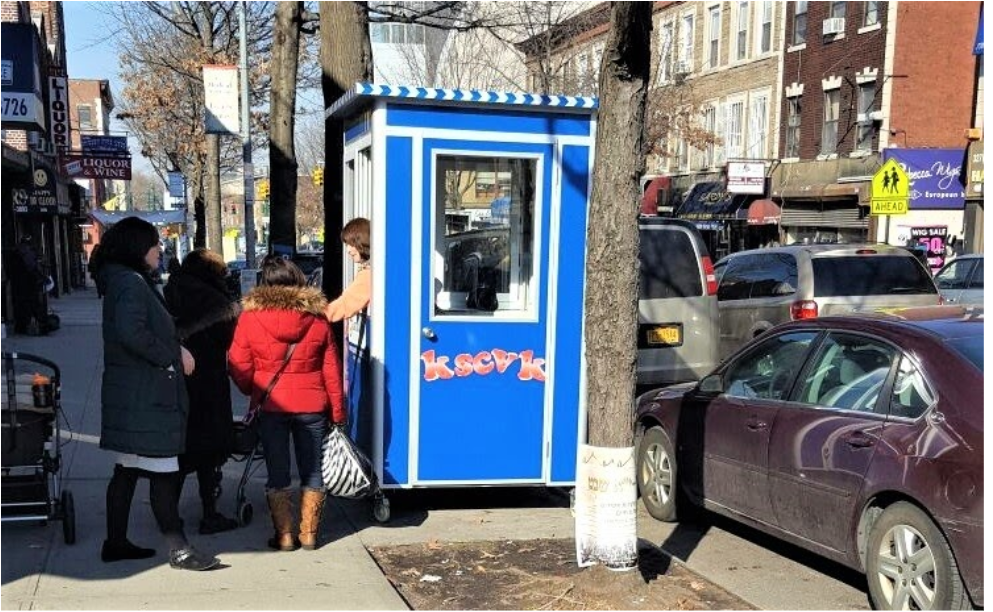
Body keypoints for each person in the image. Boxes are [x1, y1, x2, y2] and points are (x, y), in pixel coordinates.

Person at [91, 216, 220, 571]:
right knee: (164, 471)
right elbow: (132, 333)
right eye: (155, 244)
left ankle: (115, 542)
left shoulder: (122, 280)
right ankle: (179, 549)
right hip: (146, 395)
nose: (159, 249)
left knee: (128, 470)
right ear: (138, 248)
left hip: (134, 394)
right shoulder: (131, 283)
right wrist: (173, 358)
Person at [228, 255, 345, 551]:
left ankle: (283, 535)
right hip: (312, 404)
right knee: (312, 469)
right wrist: (338, 411)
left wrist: (253, 391)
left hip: (271, 406)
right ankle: (309, 534)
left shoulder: (249, 318)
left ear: (264, 283)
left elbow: (237, 363)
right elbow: (331, 369)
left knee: (277, 470)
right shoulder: (317, 319)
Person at [164, 249, 241, 535]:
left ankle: (169, 513)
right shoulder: (215, 300)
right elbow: (226, 339)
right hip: (208, 379)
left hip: (176, 378)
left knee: (183, 450)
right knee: (209, 450)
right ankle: (210, 513)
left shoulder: (171, 290)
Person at [324, 217, 371, 323]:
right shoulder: (373, 270)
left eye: (351, 244)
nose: (348, 250)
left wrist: (316, 315)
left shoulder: (368, 275)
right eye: (346, 245)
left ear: (362, 241)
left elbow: (346, 304)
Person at [11, 235, 48, 334]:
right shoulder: (27, 252)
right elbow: (31, 267)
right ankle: (42, 326)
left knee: (21, 305)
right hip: (29, 282)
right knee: (34, 304)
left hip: (17, 283)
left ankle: (20, 327)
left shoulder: (15, 251)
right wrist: (41, 276)